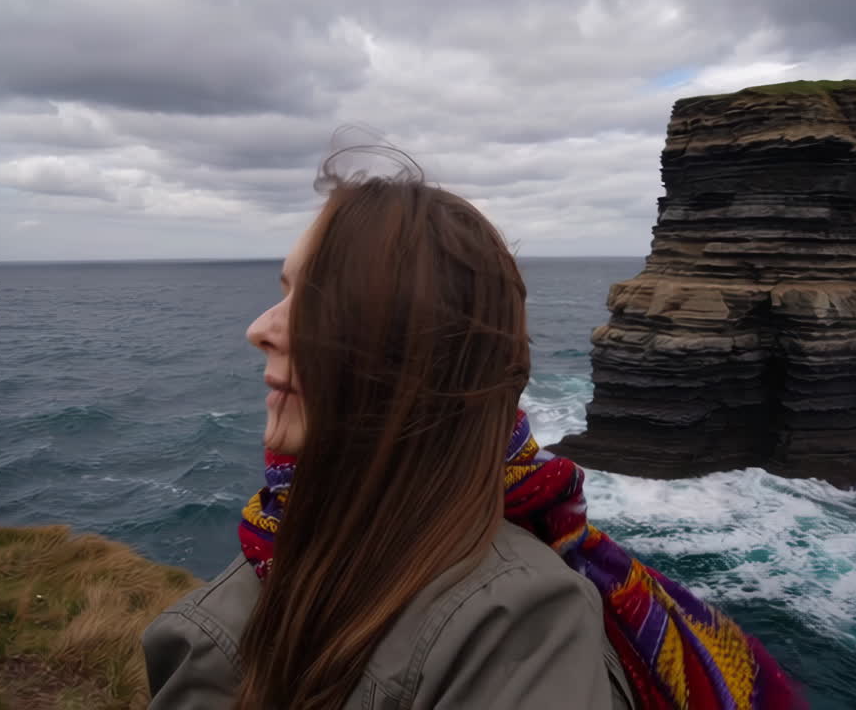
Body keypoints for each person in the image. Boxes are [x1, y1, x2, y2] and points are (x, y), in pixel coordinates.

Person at [141, 145, 802, 710]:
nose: (260, 329)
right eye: (284, 291)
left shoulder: (518, 622)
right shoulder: (274, 570)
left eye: (316, 303)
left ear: (410, 356)